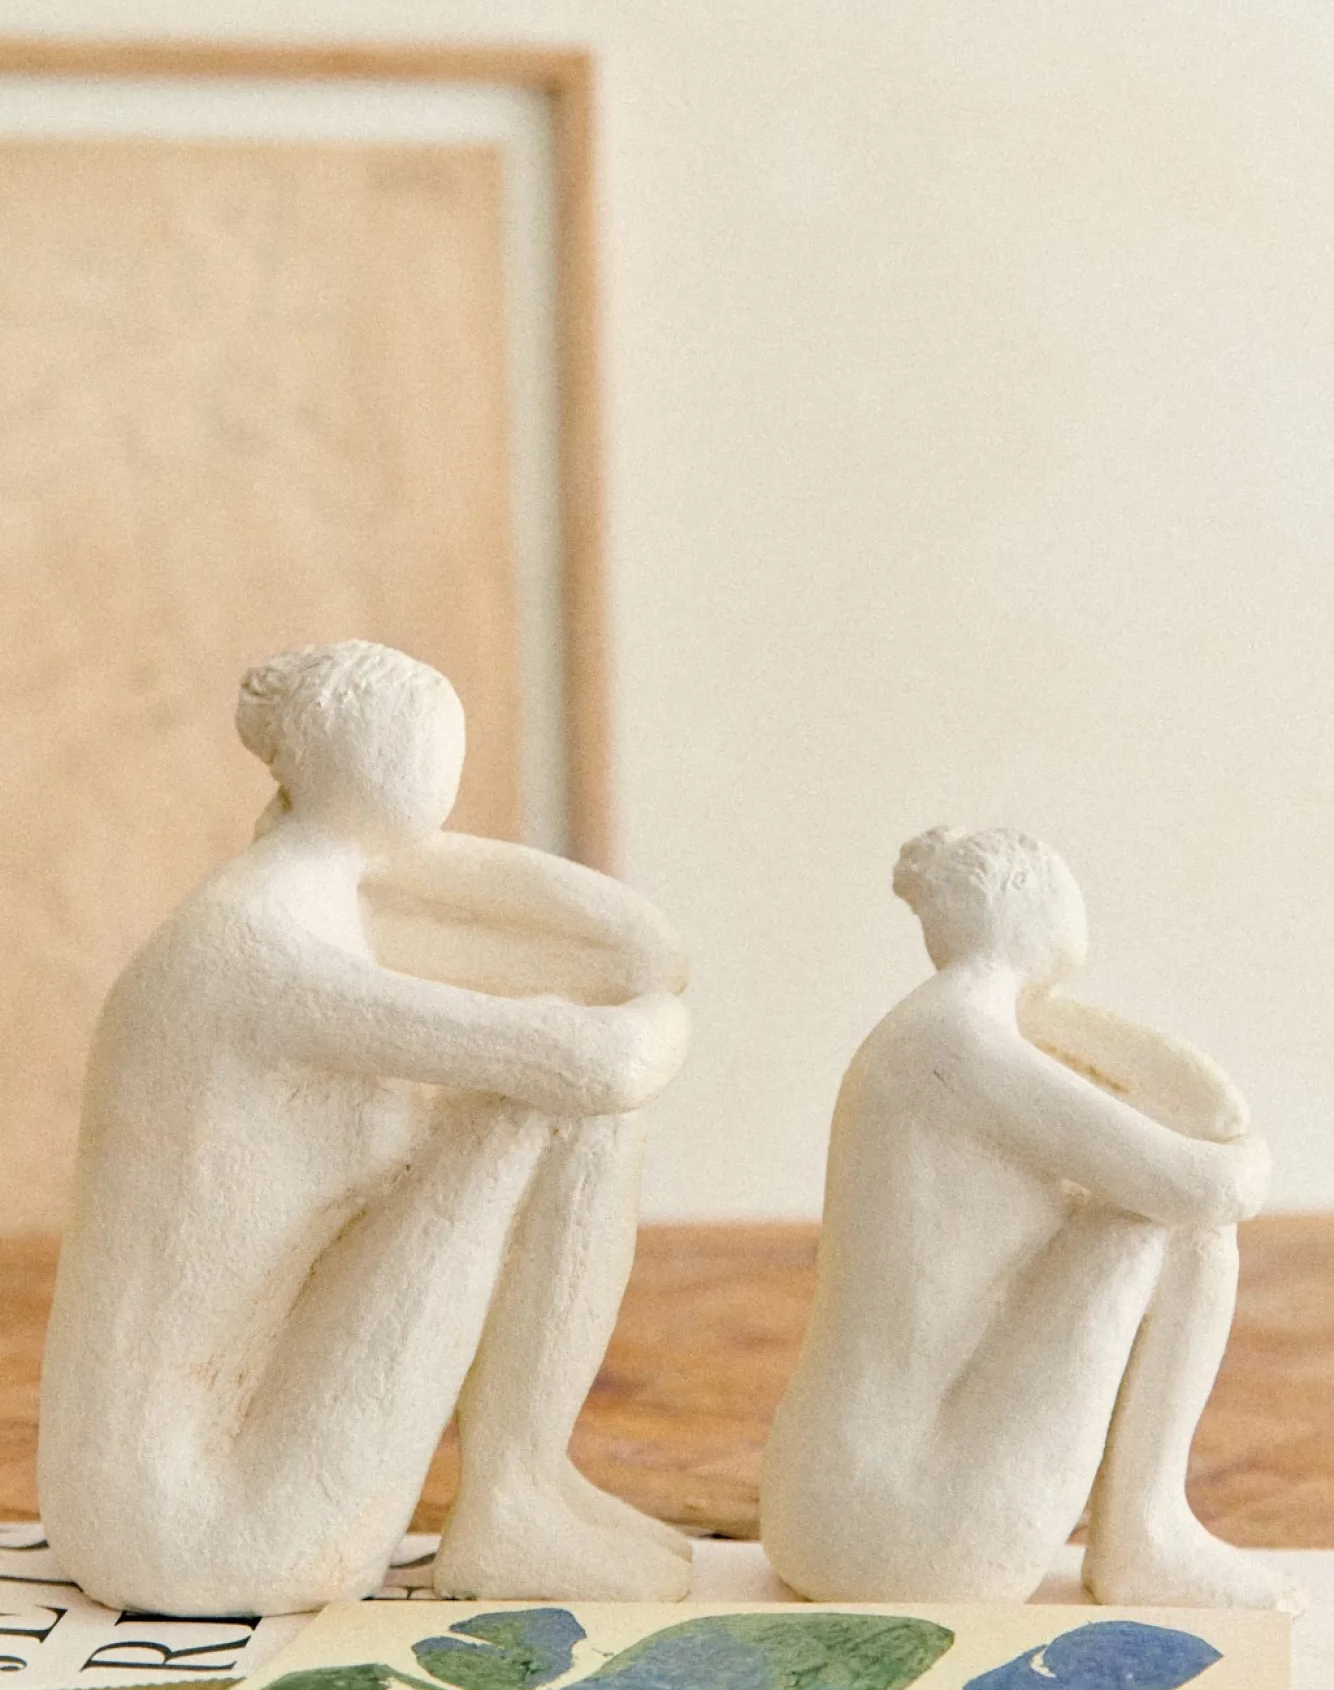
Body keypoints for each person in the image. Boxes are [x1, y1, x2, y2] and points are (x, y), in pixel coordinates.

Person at [39, 642, 691, 1615]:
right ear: (386, 764)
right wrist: (661, 1007)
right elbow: (601, 1059)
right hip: (196, 1519)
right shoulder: (257, 947)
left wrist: (396, 844)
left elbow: (635, 946)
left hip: (218, 1481)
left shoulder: (329, 893)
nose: (447, 772)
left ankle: (529, 1483)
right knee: (552, 1102)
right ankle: (510, 1498)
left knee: (571, 1105)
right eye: (432, 747)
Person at [761, 825, 1301, 1612]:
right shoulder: (960, 1042)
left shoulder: (947, 1025)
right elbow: (1207, 1181)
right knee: (1166, 1222)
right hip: (892, 1519)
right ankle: (1146, 1535)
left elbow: (1194, 1128)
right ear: (1027, 901)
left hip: (833, 1501)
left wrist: (1041, 1008)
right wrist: (1248, 1147)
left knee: (1150, 1213)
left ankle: (1150, 1532)